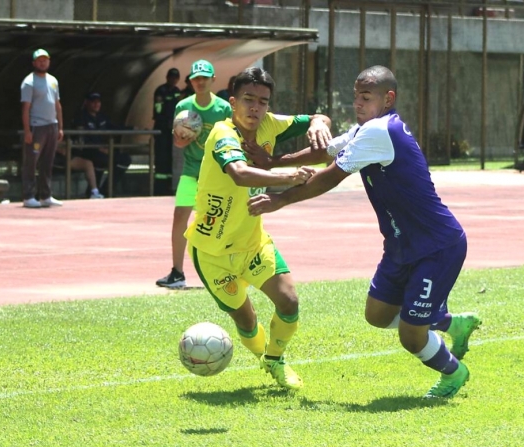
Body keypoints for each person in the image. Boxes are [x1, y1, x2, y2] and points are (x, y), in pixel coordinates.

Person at [248, 65, 481, 399]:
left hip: (436, 246)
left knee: (411, 337)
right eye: (355, 96)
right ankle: (449, 323)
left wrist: (280, 200)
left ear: (388, 99)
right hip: (400, 245)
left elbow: (330, 174)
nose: (357, 103)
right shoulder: (365, 130)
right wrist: (273, 162)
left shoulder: (380, 131)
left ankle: (454, 373)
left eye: (366, 97)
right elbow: (324, 150)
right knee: (377, 315)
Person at [184, 66, 332, 390]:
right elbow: (239, 173)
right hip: (211, 253)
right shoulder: (222, 133)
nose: (255, 108)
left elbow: (317, 121)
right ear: (233, 102)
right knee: (246, 320)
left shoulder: (269, 124)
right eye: (248, 100)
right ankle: (261, 353)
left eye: (262, 101)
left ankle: (275, 360)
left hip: (252, 243)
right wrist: (288, 176)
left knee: (289, 301)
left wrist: (321, 121)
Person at [155, 60, 232, 289]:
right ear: (190, 81)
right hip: (190, 172)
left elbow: (231, 139)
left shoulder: (224, 108)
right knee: (180, 219)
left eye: (205, 78)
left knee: (215, 224)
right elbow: (177, 142)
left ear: (212, 80)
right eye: (196, 78)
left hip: (215, 174)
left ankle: (223, 272)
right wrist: (180, 140)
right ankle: (177, 273)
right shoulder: (183, 106)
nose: (200, 82)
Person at [20, 48, 64, 208]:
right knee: (32, 162)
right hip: (37, 126)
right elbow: (25, 108)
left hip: (52, 125)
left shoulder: (53, 80)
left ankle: (46, 195)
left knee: (48, 161)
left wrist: (60, 126)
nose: (42, 62)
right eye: (39, 60)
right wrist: (27, 131)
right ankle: (28, 195)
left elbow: (58, 104)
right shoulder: (29, 82)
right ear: (34, 63)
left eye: (45, 59)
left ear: (49, 61)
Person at [73, 92, 132, 198]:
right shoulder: (81, 117)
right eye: (93, 102)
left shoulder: (101, 117)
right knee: (101, 160)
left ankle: (105, 190)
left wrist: (132, 128)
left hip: (102, 150)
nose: (96, 104)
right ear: (87, 103)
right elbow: (81, 139)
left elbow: (114, 128)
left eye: (98, 102)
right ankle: (93, 191)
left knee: (125, 159)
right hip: (87, 151)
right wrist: (98, 148)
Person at [153, 68, 182, 194]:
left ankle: (170, 186)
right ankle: (159, 187)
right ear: (167, 77)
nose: (173, 80)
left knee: (171, 157)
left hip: (173, 128)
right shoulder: (161, 90)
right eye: (172, 77)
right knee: (161, 157)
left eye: (176, 77)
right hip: (161, 128)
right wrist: (165, 120)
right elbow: (158, 109)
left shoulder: (176, 91)